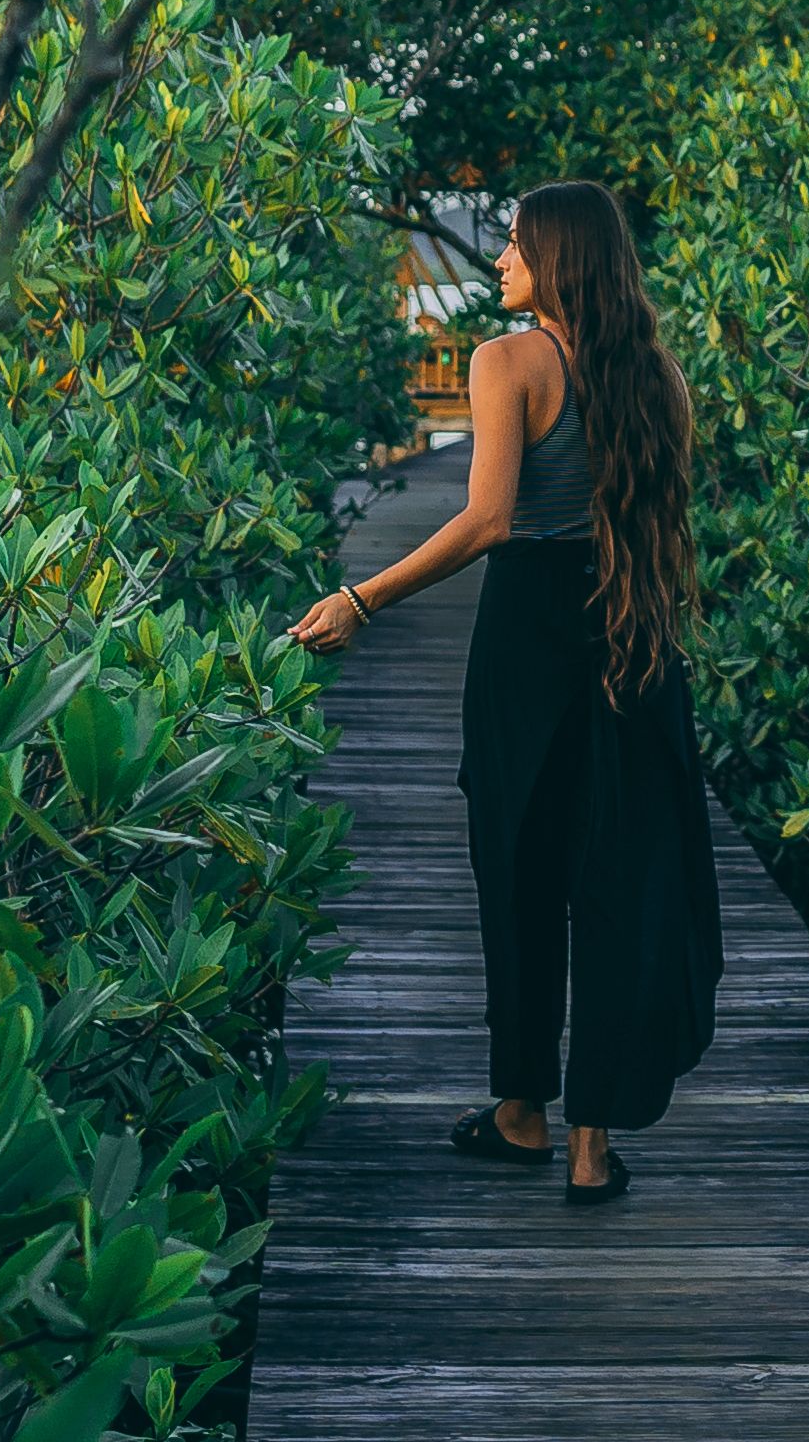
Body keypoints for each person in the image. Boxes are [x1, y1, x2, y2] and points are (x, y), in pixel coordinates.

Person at [284, 182, 719, 1195]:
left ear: (558, 257)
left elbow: (486, 520)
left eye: (516, 246)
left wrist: (363, 596)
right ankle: (589, 1146)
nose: (500, 260)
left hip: (529, 633)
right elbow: (659, 525)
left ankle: (522, 1110)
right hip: (634, 638)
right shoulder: (660, 374)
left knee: (517, 872)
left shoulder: (505, 361)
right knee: (617, 886)